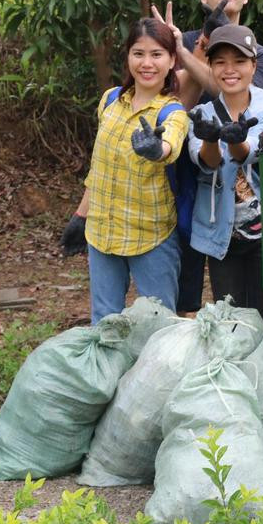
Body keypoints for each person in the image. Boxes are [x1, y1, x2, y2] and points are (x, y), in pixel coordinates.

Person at [150, 0, 263, 315]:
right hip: (189, 165)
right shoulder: (184, 41)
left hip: (242, 176)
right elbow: (177, 104)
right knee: (187, 261)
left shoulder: (261, 56)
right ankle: (185, 325)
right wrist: (193, 46)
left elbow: (232, 94)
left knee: (246, 268)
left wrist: (188, 54)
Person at [59, 17, 190, 323]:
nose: (147, 63)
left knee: (158, 325)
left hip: (151, 235)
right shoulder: (110, 100)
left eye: (157, 54)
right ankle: (107, 373)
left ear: (172, 60)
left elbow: (170, 144)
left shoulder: (173, 112)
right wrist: (81, 215)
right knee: (104, 322)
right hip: (102, 232)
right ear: (128, 57)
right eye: (138, 53)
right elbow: (100, 167)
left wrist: (157, 150)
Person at [185, 23, 263, 320]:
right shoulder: (202, 114)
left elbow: (251, 153)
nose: (230, 70)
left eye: (239, 61)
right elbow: (206, 162)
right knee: (227, 313)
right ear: (210, 66)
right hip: (220, 231)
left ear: (254, 65)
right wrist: (209, 138)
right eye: (220, 62)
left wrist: (237, 140)